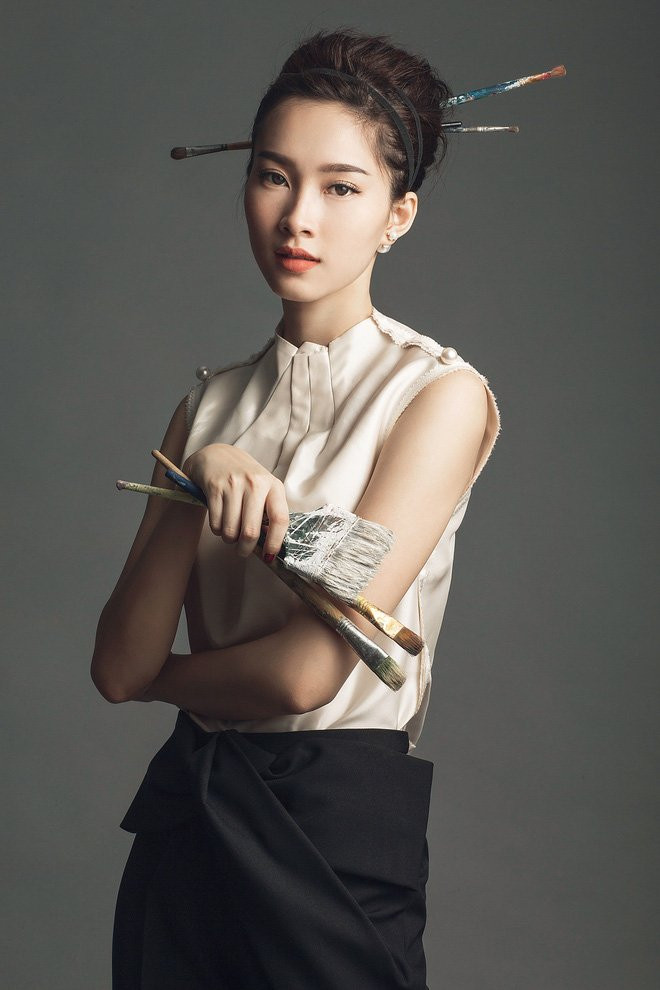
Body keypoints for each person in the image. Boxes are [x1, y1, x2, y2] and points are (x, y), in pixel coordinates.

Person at [92, 27, 501, 990]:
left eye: (341, 187)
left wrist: (162, 683)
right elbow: (115, 664)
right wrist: (199, 477)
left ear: (398, 215)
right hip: (190, 825)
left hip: (336, 829)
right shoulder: (206, 407)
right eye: (274, 177)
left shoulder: (438, 397)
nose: (298, 218)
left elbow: (306, 673)